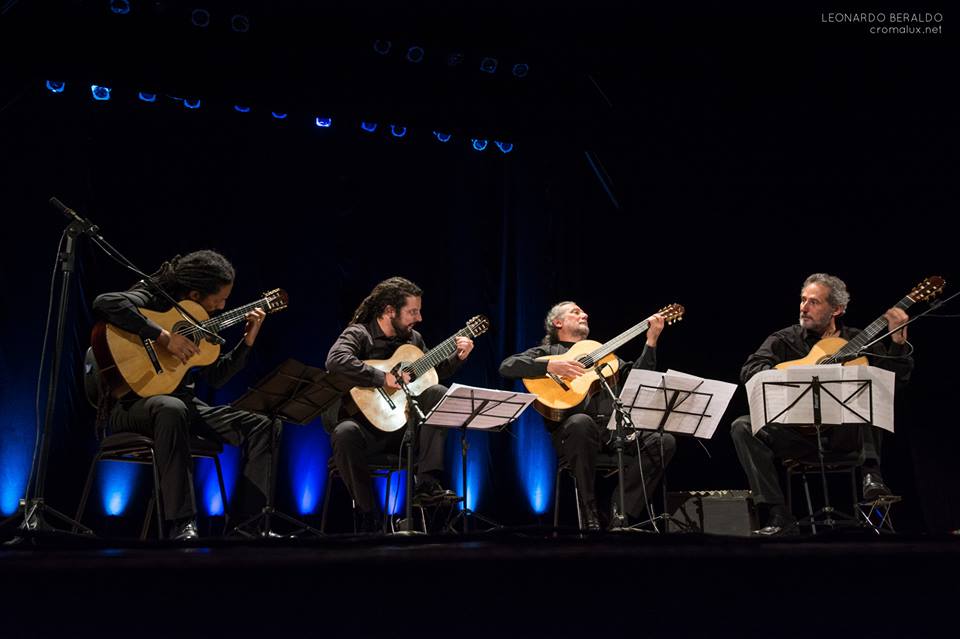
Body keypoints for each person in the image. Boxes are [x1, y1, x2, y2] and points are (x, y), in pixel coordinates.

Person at [92, 249, 280, 540]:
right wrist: (164, 336)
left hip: (184, 406)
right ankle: (182, 524)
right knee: (171, 409)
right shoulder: (154, 296)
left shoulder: (201, 323)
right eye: (219, 299)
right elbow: (105, 302)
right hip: (132, 405)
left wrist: (247, 341)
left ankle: (249, 527)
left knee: (265, 426)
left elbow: (216, 377)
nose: (222, 306)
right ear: (194, 294)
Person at [730, 273, 913, 535]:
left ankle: (872, 475)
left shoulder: (859, 339)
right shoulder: (784, 339)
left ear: (836, 309)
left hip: (847, 439)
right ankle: (779, 515)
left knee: (868, 388)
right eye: (803, 300)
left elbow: (895, 383)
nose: (804, 307)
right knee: (742, 426)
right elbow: (750, 370)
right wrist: (795, 373)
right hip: (798, 438)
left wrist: (898, 343)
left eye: (814, 302)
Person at [499, 301, 675, 531]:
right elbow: (507, 366)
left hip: (613, 435)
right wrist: (552, 366)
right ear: (557, 323)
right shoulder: (549, 352)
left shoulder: (601, 354)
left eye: (583, 311)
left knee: (663, 441)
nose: (584, 314)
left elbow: (639, 380)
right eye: (576, 312)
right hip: (573, 437)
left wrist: (651, 341)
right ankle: (588, 511)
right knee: (581, 423)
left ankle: (620, 511)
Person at [323, 276, 474, 533]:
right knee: (343, 433)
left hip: (404, 432)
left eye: (419, 311)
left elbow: (433, 373)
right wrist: (383, 378)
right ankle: (368, 515)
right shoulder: (360, 334)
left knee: (437, 391)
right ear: (389, 311)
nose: (419, 318)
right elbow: (336, 360)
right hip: (365, 432)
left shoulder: (413, 339)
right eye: (412, 311)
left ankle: (426, 484)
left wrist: (458, 357)